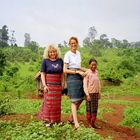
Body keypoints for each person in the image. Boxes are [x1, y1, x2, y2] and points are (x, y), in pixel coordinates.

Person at [38, 44, 64, 127]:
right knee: (48, 104)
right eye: (50, 52)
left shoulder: (60, 60)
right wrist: (44, 85)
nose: (52, 53)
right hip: (49, 86)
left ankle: (57, 121)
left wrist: (63, 83)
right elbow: (42, 73)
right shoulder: (45, 61)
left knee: (57, 104)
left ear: (57, 52)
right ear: (48, 53)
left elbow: (62, 73)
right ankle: (47, 121)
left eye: (54, 51)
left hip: (58, 86)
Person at [63, 37, 86, 129]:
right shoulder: (67, 54)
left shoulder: (78, 53)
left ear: (77, 44)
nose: (73, 45)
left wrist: (88, 70)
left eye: (75, 43)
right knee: (74, 100)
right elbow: (65, 70)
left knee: (81, 98)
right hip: (72, 77)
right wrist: (77, 72)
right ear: (69, 45)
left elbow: (79, 67)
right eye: (71, 43)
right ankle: (76, 123)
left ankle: (71, 118)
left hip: (79, 77)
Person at [83, 58, 101, 129]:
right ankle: (89, 124)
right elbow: (84, 85)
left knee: (94, 109)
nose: (94, 66)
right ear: (89, 65)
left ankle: (93, 123)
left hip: (96, 94)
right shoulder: (87, 73)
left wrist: (99, 92)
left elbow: (98, 82)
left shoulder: (97, 72)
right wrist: (87, 94)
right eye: (92, 65)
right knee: (89, 109)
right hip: (89, 94)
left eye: (95, 65)